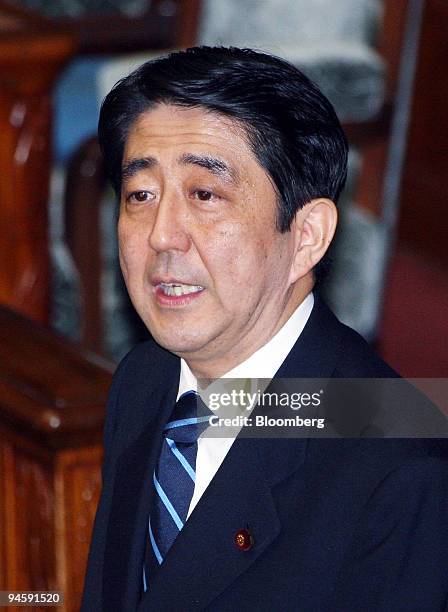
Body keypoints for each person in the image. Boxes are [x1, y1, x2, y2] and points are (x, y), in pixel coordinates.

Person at [81, 47, 448, 611]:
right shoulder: (147, 377)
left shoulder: (405, 471)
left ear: (306, 236)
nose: (161, 236)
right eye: (141, 196)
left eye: (205, 195)